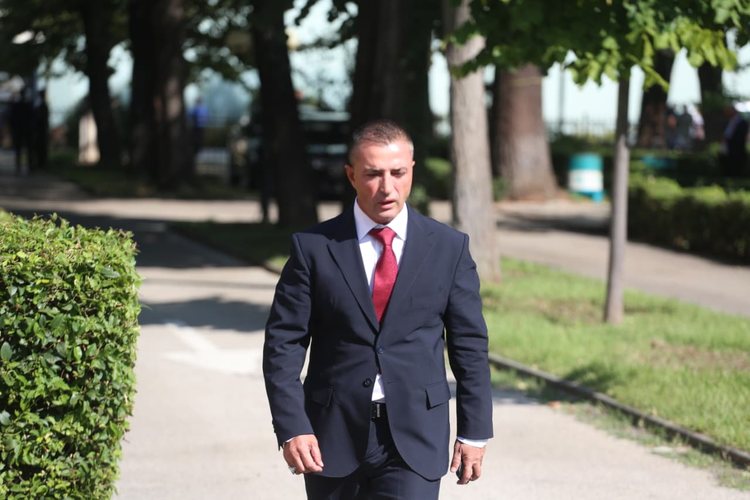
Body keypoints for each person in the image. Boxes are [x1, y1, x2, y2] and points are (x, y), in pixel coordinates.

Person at [263, 119, 493, 499]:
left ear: (412, 171)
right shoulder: (314, 248)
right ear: (351, 175)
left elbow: (469, 346)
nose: (387, 187)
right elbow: (283, 344)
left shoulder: (449, 248)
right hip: (331, 436)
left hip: (416, 436)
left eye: (398, 173)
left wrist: (475, 431)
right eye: (373, 174)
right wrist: (292, 426)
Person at [719, 104, 749, 177]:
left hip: (737, 149)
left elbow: (741, 137)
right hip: (728, 149)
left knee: (736, 169)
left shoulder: (742, 122)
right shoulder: (729, 121)